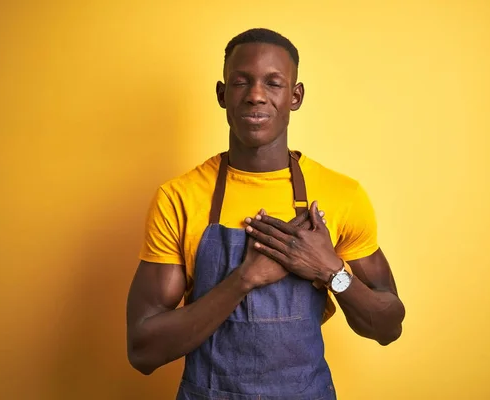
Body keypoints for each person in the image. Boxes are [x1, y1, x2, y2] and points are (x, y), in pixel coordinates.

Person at [126, 28, 405, 399]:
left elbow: (387, 327)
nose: (256, 95)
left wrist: (331, 270)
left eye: (273, 83)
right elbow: (143, 350)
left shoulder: (342, 195)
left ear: (295, 96)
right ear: (223, 95)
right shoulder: (179, 197)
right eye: (241, 82)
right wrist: (243, 278)